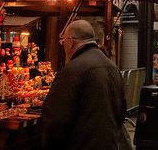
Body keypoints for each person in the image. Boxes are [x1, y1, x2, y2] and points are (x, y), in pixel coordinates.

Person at [42, 20, 126, 150]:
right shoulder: (112, 66)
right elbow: (121, 111)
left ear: (70, 42)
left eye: (63, 42)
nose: (63, 46)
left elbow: (55, 118)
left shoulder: (73, 69)